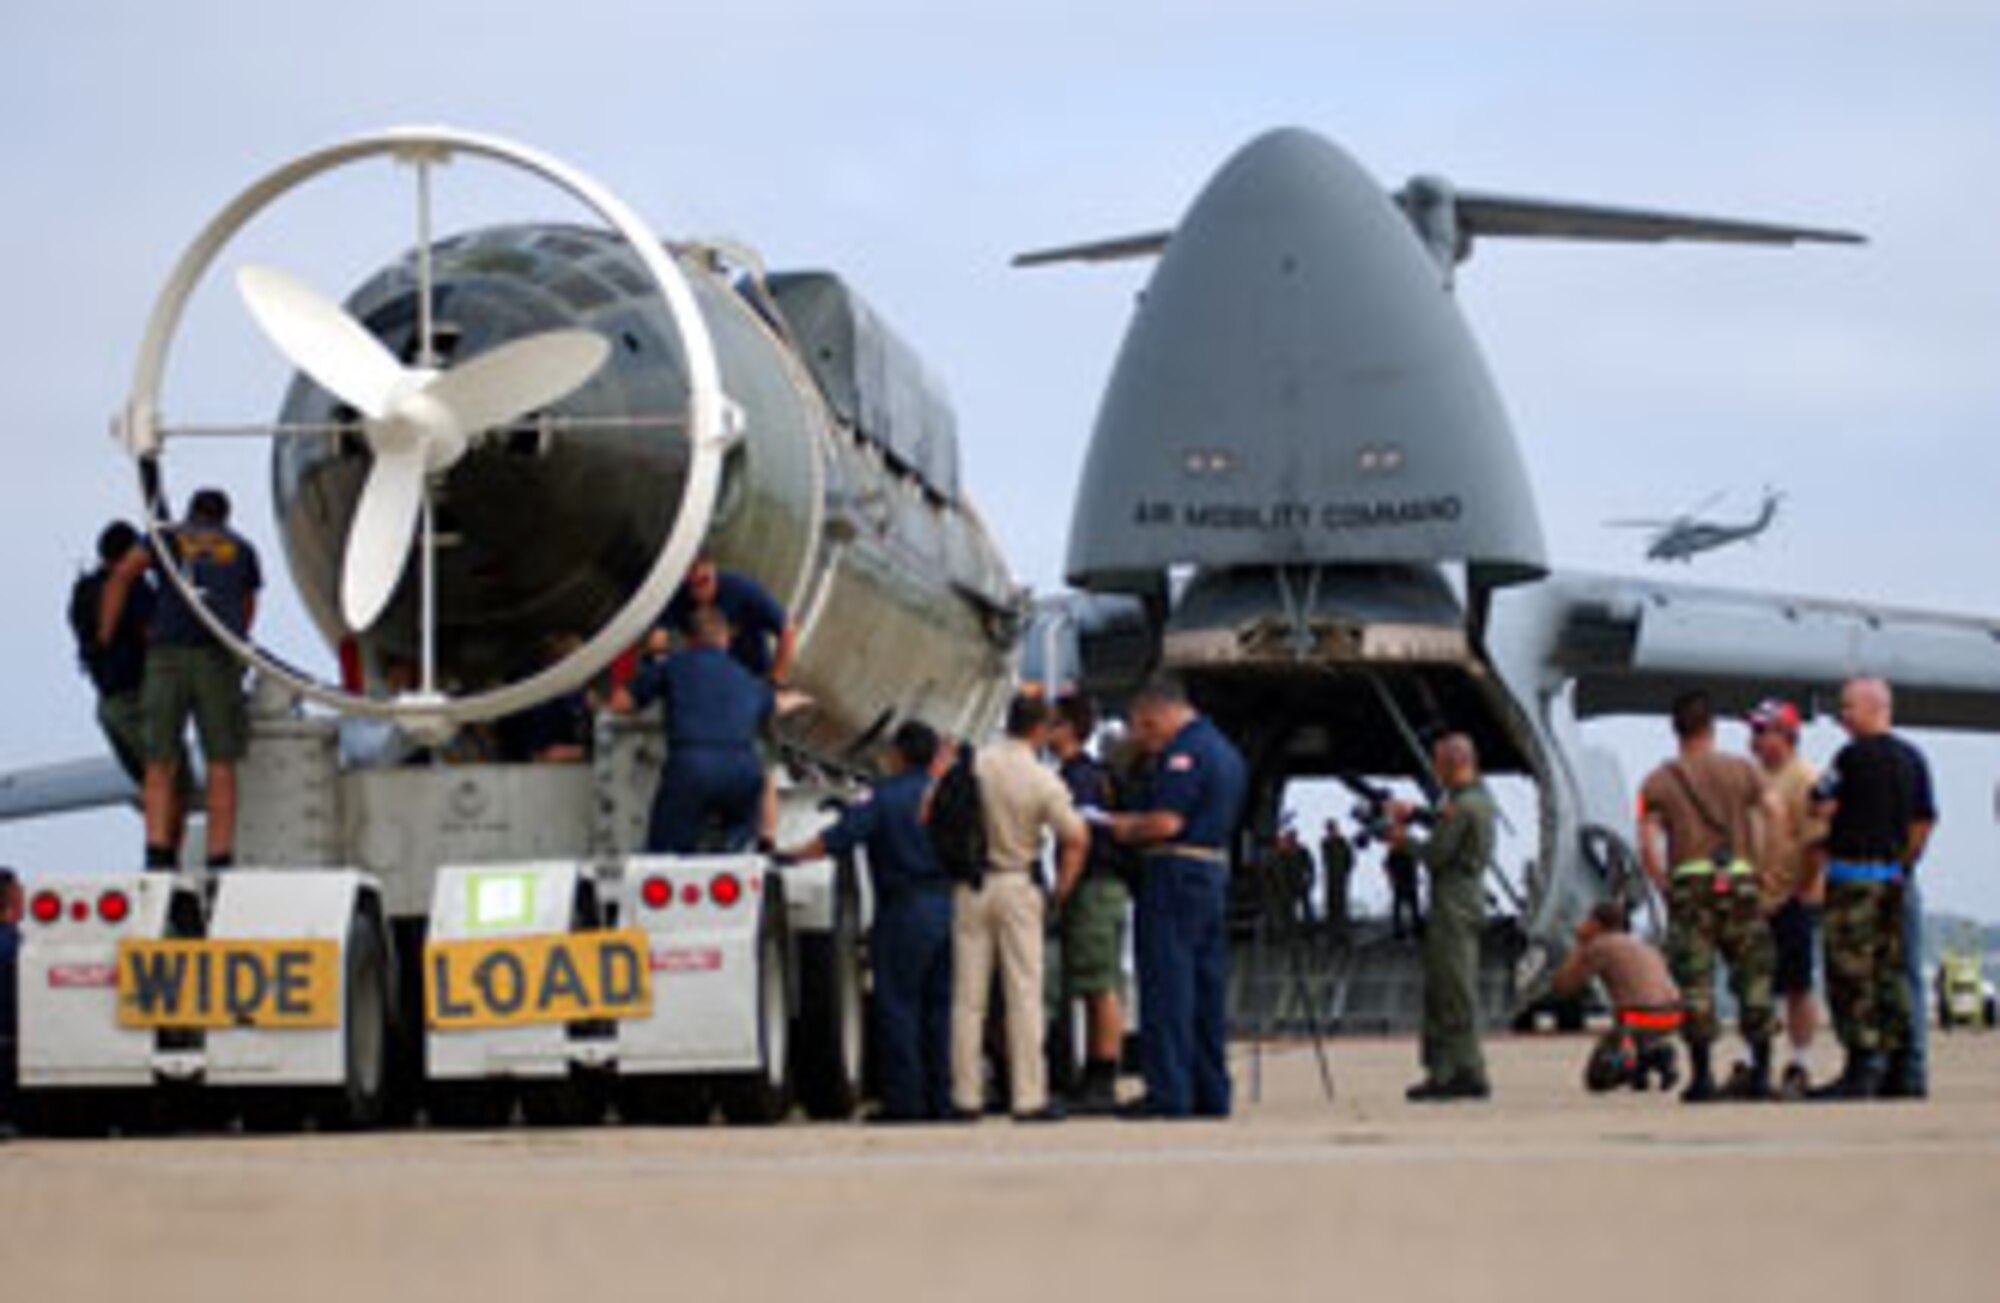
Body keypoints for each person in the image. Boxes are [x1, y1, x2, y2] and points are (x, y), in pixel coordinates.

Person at [783, 722, 954, 1123]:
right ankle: (940, 1101)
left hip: (904, 910)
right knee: (939, 1008)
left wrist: (791, 855)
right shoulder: (943, 794)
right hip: (947, 908)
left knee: (898, 1007)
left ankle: (906, 1104)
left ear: (898, 755)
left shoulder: (886, 797)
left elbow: (840, 837)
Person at [1106, 678, 1247, 1120]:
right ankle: (1210, 1090)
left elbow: (1166, 822)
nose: (1144, 743)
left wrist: (1122, 826)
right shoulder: (1225, 750)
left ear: (1157, 716)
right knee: (1206, 988)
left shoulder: (1184, 755)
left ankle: (1168, 1091)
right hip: (1211, 872)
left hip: (1174, 872)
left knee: (1168, 986)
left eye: (1143, 731)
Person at [1638, 691, 1780, 1102]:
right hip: (1739, 880)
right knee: (1754, 977)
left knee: (1695, 983)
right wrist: (1763, 870)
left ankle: (1702, 1077)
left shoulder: (1658, 780)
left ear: (1675, 729)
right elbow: (1774, 813)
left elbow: (1647, 839)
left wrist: (1662, 881)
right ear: (1711, 727)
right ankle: (1761, 1072)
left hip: (1689, 882)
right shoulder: (1744, 771)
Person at [953, 695, 1087, 1123]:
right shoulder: (1042, 779)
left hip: (971, 886)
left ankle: (965, 1096)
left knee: (968, 1000)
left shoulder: (975, 764)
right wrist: (1059, 892)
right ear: (1040, 730)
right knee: (1023, 996)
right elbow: (1077, 837)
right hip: (1018, 884)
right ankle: (1028, 1097)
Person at [1811, 677, 1935, 1100]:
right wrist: (1904, 863)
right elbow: (1924, 821)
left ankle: (1864, 1066)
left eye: (1847, 706)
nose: (1841, 715)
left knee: (1851, 976)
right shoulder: (1913, 759)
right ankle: (1908, 1069)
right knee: (1898, 976)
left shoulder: (1848, 758)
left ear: (1873, 707)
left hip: (1853, 880)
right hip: (1896, 880)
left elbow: (1819, 800)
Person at [142, 489, 262, 871]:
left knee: (159, 761)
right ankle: (219, 854)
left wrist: (108, 636)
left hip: (168, 656)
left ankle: (158, 850)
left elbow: (127, 571)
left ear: (191, 511)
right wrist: (235, 639)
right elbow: (248, 605)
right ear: (226, 516)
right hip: (217, 657)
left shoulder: (167, 538)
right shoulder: (242, 548)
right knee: (221, 763)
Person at [657, 556, 800, 847]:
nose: (697, 589)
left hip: (749, 682)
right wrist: (662, 665)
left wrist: (775, 680)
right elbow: (657, 637)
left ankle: (767, 835)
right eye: (691, 583)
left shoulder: (742, 590)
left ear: (713, 571)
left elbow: (786, 629)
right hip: (707, 684)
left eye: (704, 581)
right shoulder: (679, 599)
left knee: (761, 757)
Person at [1389, 734, 1498, 1102]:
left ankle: (1459, 1071)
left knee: (1449, 990)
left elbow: (1436, 855)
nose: (1436, 771)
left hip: (1452, 902)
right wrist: (1417, 813)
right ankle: (1457, 1069)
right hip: (1466, 899)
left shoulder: (1461, 806)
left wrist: (1401, 839)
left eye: (1438, 763)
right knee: (1452, 986)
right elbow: (1447, 823)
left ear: (1451, 763)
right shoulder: (1477, 800)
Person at [617, 606, 772, 854]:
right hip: (744, 769)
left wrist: (649, 658)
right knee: (737, 847)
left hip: (693, 767)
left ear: (689, 640)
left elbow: (621, 703)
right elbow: (769, 707)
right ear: (725, 639)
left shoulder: (674, 665)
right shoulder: (747, 676)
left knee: (665, 856)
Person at [71, 522, 191, 840]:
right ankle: (166, 862)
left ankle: (160, 853)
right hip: (137, 701)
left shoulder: (83, 592)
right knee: (171, 782)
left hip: (108, 704)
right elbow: (151, 634)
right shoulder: (134, 589)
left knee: (152, 784)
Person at [1048, 694, 1131, 1114]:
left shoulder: (1077, 778)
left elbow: (1076, 842)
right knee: (1101, 981)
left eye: (1052, 722)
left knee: (1098, 985)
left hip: (1092, 886)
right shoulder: (1096, 775)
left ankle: (1101, 1077)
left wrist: (1059, 891)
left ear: (1068, 729)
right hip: (1108, 886)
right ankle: (1098, 1072)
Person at [1747, 698, 1829, 1099]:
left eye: (1764, 731)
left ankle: (1800, 1061)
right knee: (1756, 984)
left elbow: (1816, 842)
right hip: (1759, 898)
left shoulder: (1804, 779)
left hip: (1792, 897)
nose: (1755, 739)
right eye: (1754, 731)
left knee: (1797, 985)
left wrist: (1805, 889)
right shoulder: (1754, 778)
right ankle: (1756, 1058)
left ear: (1787, 735)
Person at [1549, 902, 1683, 1093]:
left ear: (1596, 924)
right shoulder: (1642, 944)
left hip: (1639, 1019)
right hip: (1674, 1015)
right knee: (1629, 1030)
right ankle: (1646, 1058)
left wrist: (1579, 944)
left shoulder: (1600, 946)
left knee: (1598, 1080)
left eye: (1588, 920)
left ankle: (1652, 1057)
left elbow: (1563, 985)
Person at [1319, 819, 1354, 939]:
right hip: (1330, 876)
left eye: (1333, 828)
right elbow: (1325, 860)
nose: (1331, 831)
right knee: (1331, 903)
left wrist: (1345, 872)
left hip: (1341, 877)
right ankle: (1332, 930)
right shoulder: (1325, 843)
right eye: (1330, 829)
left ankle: (1342, 930)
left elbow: (1350, 859)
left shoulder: (1343, 842)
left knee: (1341, 903)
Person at [1385, 844, 1424, 942]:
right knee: (1405, 905)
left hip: (1407, 881)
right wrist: (1392, 877)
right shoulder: (1395, 851)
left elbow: (1388, 865)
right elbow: (1388, 865)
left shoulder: (1397, 850)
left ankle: (1412, 927)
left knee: (1410, 905)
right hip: (1402, 881)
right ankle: (1401, 929)